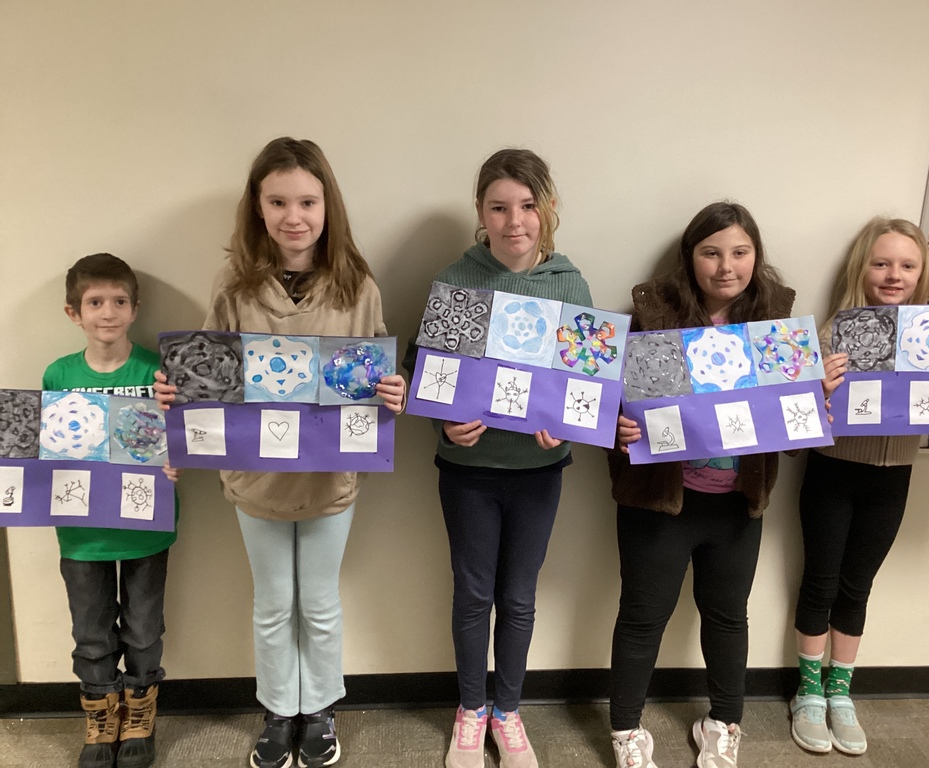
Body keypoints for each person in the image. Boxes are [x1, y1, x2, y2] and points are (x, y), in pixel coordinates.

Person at [156, 137, 406, 768]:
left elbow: (374, 373)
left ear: (329, 206)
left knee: (318, 602)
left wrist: (392, 389)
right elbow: (209, 377)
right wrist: (176, 389)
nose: (294, 216)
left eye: (308, 201)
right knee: (272, 603)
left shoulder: (358, 286)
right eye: (278, 201)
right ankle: (277, 709)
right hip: (256, 478)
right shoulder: (234, 287)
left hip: (331, 479)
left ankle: (317, 709)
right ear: (257, 208)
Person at [403, 149, 592, 768]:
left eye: (529, 205)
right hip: (469, 472)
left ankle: (508, 711)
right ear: (481, 214)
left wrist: (562, 429)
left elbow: (584, 383)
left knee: (519, 597)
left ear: (549, 208)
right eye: (500, 207)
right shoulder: (458, 280)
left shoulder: (568, 283)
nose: (516, 221)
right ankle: (470, 709)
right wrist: (444, 421)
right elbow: (420, 374)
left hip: (539, 472)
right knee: (471, 595)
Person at [608, 202, 795, 768]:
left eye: (739, 252)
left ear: (756, 256)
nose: (725, 267)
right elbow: (604, 400)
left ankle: (723, 722)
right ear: (690, 258)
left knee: (727, 615)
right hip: (660, 502)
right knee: (643, 616)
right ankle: (625, 732)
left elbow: (788, 414)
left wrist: (818, 399)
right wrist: (614, 426)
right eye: (711, 252)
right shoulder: (653, 317)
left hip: (737, 504)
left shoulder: (774, 321)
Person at [787, 218, 929, 757]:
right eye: (882, 263)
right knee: (820, 580)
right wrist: (816, 388)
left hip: (894, 477)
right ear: (861, 268)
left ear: (922, 274)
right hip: (833, 470)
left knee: (857, 585)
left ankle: (840, 690)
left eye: (907, 265)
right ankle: (809, 691)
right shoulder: (832, 333)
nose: (894, 275)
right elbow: (798, 415)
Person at [45, 253, 179, 768]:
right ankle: (101, 717)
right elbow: (45, 451)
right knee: (91, 631)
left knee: (144, 627)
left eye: (119, 301)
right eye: (95, 302)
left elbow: (183, 439)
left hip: (146, 527)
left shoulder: (157, 370)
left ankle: (141, 712)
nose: (108, 312)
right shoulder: (58, 374)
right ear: (72, 313)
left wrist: (176, 462)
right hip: (81, 533)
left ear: (135, 307)